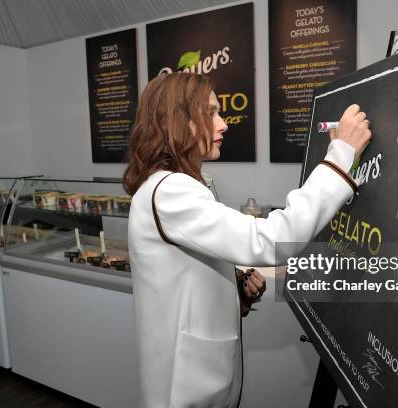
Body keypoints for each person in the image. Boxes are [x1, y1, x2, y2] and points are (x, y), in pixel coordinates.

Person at [124, 72, 371, 408]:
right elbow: (269, 240)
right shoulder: (169, 191)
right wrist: (340, 156)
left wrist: (233, 288)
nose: (223, 124)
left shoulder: (181, 185)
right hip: (183, 391)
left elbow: (187, 272)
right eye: (210, 113)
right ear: (177, 122)